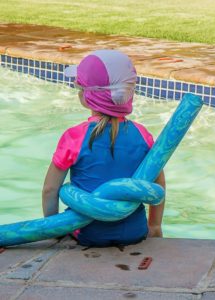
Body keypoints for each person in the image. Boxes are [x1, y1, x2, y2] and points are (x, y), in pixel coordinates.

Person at [42, 49, 165, 246]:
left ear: (87, 96)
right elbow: (157, 186)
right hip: (135, 232)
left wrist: (53, 229)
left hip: (87, 233)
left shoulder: (74, 137)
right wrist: (155, 226)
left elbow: (50, 189)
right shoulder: (143, 135)